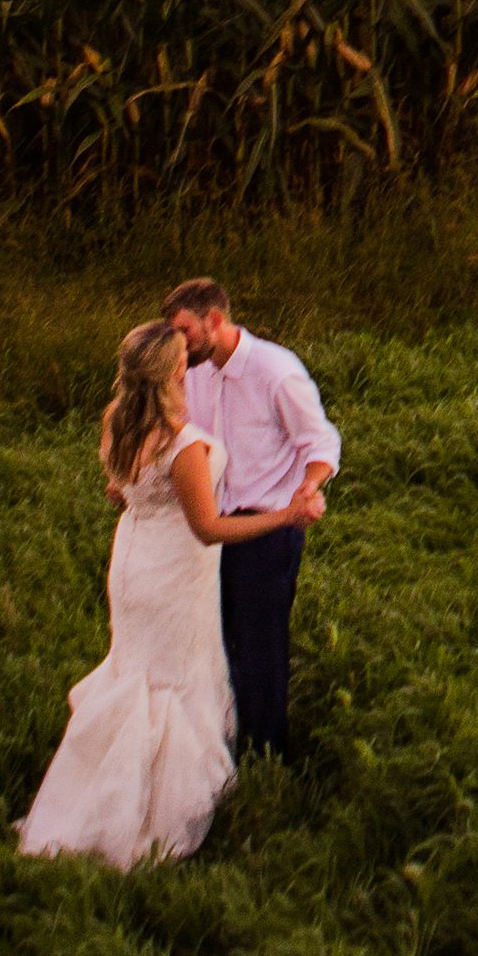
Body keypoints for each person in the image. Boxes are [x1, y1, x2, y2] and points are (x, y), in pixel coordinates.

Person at [17, 318, 325, 868]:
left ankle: (98, 786)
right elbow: (206, 529)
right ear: (175, 369)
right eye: (185, 355)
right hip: (175, 574)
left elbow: (120, 489)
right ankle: (150, 809)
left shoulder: (117, 421)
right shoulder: (183, 443)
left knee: (135, 669)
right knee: (170, 678)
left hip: (134, 563)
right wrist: (287, 515)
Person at [163, 274, 341, 757]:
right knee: (212, 641)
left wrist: (309, 486)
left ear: (215, 320)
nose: (179, 343)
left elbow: (320, 441)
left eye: (186, 331)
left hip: (267, 529)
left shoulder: (276, 370)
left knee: (261, 647)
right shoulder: (189, 371)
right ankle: (215, 746)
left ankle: (266, 755)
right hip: (204, 529)